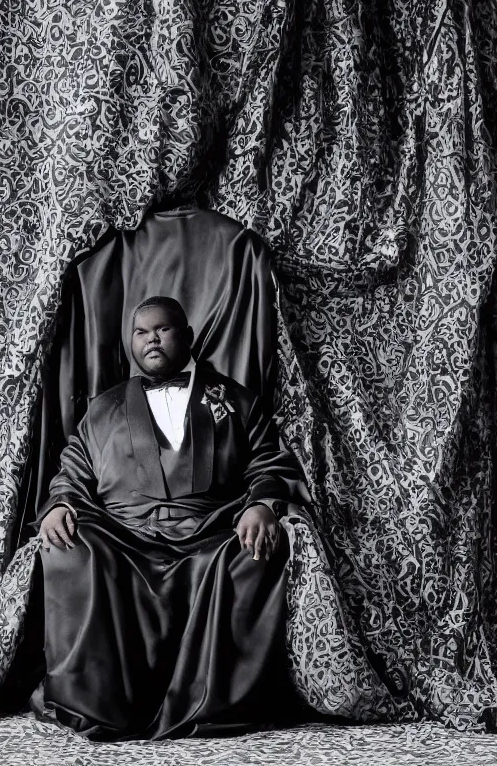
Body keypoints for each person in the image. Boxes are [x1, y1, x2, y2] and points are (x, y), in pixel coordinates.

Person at [31, 295, 306, 740]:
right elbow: (73, 470)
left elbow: (266, 462)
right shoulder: (104, 408)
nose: (151, 339)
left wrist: (260, 504)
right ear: (131, 343)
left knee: (254, 554)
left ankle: (212, 707)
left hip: (210, 532)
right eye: (141, 332)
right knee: (67, 547)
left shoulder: (233, 398)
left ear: (188, 336)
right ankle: (94, 702)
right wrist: (61, 504)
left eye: (162, 329)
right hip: (124, 534)